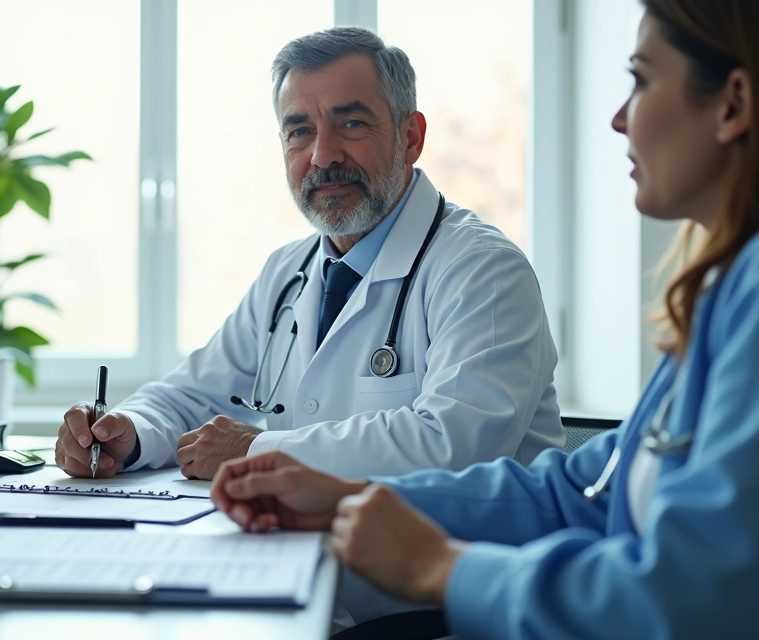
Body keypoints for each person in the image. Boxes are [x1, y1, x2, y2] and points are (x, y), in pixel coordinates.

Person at [210, 0, 759, 636]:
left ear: (733, 104)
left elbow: (701, 599)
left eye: (641, 79)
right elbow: (584, 490)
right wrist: (349, 496)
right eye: (298, 129)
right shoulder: (735, 282)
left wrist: (443, 568)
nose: (619, 117)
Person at [54, 27, 563, 482]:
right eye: (299, 130)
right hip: (309, 559)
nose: (322, 155)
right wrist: (129, 433)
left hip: (452, 575)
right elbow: (189, 395)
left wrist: (259, 449)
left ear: (411, 137)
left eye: (352, 124)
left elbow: (455, 446)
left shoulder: (483, 270)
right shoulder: (288, 272)